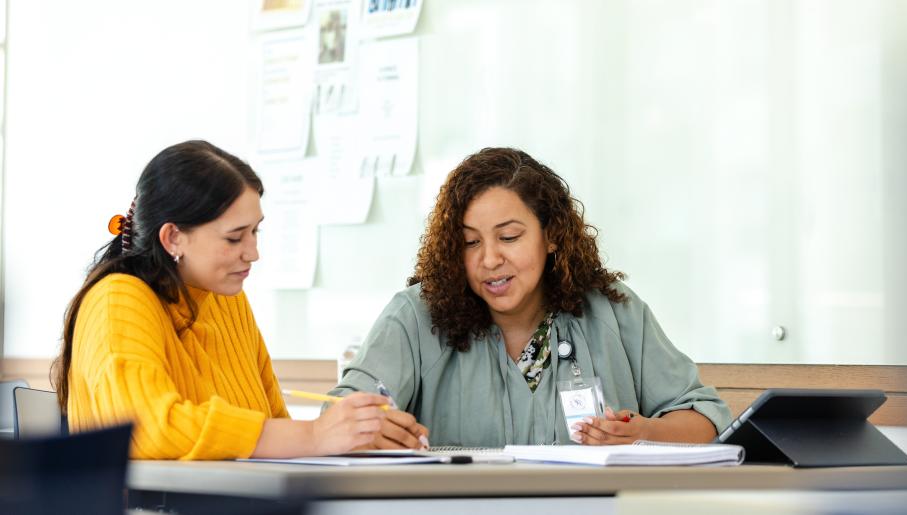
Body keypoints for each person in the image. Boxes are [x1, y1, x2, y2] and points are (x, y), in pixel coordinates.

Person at [331, 147, 732, 447]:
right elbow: (338, 414)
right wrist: (367, 430)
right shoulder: (415, 317)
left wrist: (646, 433)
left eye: (509, 237)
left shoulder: (613, 311)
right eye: (470, 242)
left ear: (552, 234)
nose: (489, 259)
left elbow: (705, 418)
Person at [53, 140, 388, 459]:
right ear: (173, 237)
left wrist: (355, 435)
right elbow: (142, 428)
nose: (253, 253)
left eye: (255, 231)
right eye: (234, 237)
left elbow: (274, 423)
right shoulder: (118, 300)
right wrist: (314, 436)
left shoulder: (228, 300)